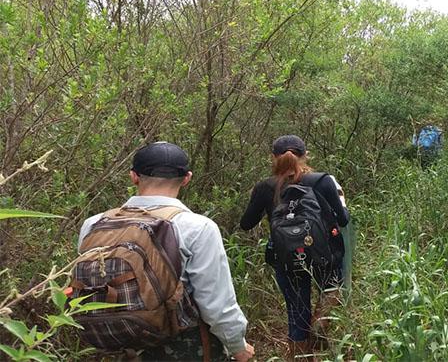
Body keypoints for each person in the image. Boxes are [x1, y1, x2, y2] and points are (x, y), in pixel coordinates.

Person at [76, 142, 254, 361]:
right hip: (183, 347)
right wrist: (238, 346)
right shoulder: (197, 227)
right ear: (187, 178)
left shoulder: (94, 224)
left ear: (134, 176)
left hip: (113, 345)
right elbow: (217, 305)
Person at [240, 135, 349, 360]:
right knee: (331, 292)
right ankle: (319, 326)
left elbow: (246, 224)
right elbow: (344, 220)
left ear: (273, 158)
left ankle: (301, 354)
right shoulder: (322, 181)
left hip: (287, 259)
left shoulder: (265, 187)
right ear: (305, 155)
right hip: (324, 255)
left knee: (297, 314)